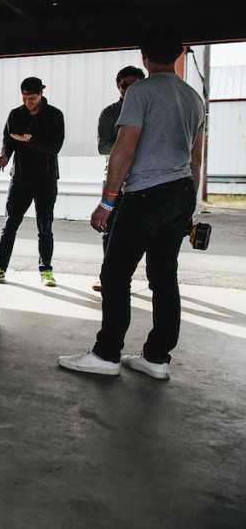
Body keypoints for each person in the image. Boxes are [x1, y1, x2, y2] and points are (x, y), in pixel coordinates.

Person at [59, 23, 204, 380]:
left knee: (115, 274)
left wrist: (107, 203)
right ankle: (156, 358)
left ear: (144, 56)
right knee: (164, 277)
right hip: (181, 192)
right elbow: (196, 157)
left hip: (146, 195)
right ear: (178, 54)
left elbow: (124, 149)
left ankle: (107, 354)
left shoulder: (140, 92)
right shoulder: (193, 98)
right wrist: (192, 205)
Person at [0, 77, 65, 287]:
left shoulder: (54, 115)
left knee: (45, 227)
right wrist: (5, 155)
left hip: (46, 180)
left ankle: (46, 270)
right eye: (24, 98)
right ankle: (0, 267)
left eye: (32, 98)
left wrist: (30, 140)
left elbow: (55, 147)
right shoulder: (16, 114)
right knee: (10, 225)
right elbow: (8, 139)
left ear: (41, 94)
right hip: (20, 179)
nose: (28, 102)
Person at [92, 65, 145, 291]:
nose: (130, 90)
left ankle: (156, 280)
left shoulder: (150, 108)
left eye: (136, 85)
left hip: (145, 180)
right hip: (116, 179)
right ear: (118, 87)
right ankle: (108, 278)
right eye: (126, 86)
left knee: (147, 231)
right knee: (110, 229)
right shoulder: (110, 113)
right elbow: (103, 146)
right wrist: (128, 146)